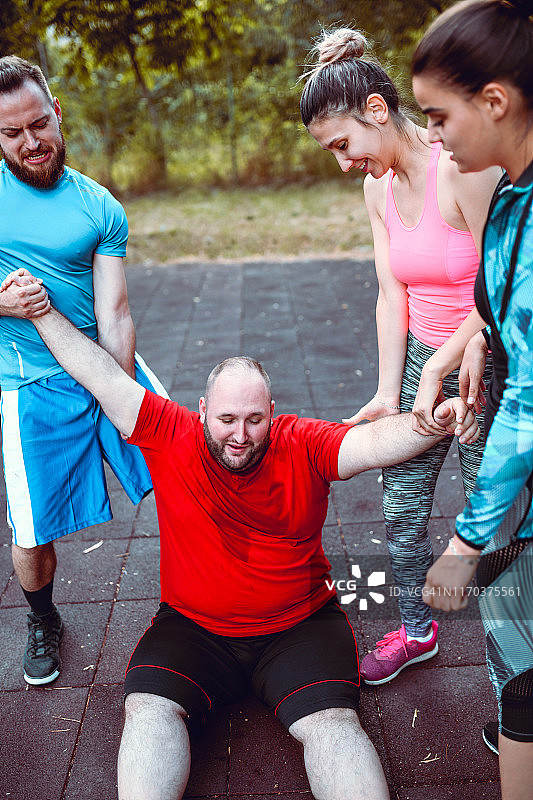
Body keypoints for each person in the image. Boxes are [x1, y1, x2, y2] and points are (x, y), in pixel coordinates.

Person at [0, 277, 478, 800]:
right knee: (147, 709)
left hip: (301, 625)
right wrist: (39, 311)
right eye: (226, 419)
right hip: (194, 628)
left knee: (333, 724)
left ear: (273, 410)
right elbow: (97, 373)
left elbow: (371, 442)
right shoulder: (168, 432)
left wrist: (431, 424)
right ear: (203, 409)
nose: (240, 435)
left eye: (254, 419)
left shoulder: (302, 442)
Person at [299, 27, 500, 685]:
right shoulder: (377, 190)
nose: (342, 163)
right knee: (401, 507)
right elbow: (392, 294)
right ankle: (417, 630)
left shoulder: (462, 169)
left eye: (342, 145)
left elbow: (503, 283)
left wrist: (448, 362)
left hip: (486, 359)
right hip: (421, 359)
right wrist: (391, 390)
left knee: (491, 522)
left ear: (377, 110)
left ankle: (512, 665)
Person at [0, 56, 166, 687]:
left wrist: (123, 397)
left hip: (103, 365)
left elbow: (115, 314)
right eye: (12, 132)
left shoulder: (99, 206)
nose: (30, 142)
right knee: (32, 530)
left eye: (38, 124)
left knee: (190, 467)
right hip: (28, 385)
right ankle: (43, 618)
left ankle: (209, 593)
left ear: (58, 113)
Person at [409, 2, 533, 798]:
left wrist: (462, 541)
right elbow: (506, 309)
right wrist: (482, 338)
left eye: (438, 117)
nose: (434, 138)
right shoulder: (512, 196)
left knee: (519, 658)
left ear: (493, 101)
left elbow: (528, 406)